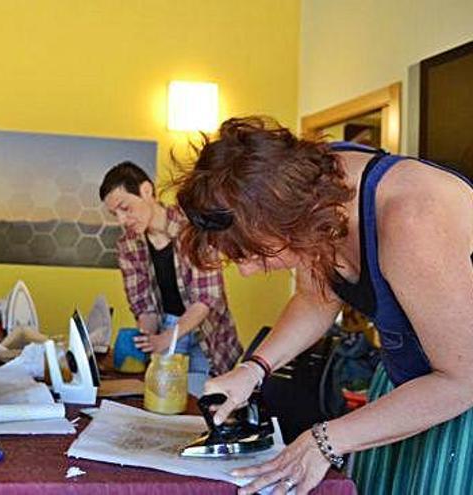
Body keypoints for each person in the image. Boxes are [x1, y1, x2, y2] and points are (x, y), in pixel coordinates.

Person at [177, 116, 473, 495]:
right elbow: (316, 296)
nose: (249, 271)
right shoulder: (315, 190)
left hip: (457, 401)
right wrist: (253, 369)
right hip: (404, 388)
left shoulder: (413, 217)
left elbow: (462, 379)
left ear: (285, 216)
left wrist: (327, 438)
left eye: (251, 253)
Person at [99, 162, 242, 393]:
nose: (122, 220)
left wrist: (167, 338)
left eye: (125, 208)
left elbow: (205, 300)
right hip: (166, 328)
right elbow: (144, 306)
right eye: (114, 214)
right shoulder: (127, 245)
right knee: (164, 398)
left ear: (146, 191)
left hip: (208, 336)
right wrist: (147, 339)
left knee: (200, 400)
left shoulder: (194, 229)